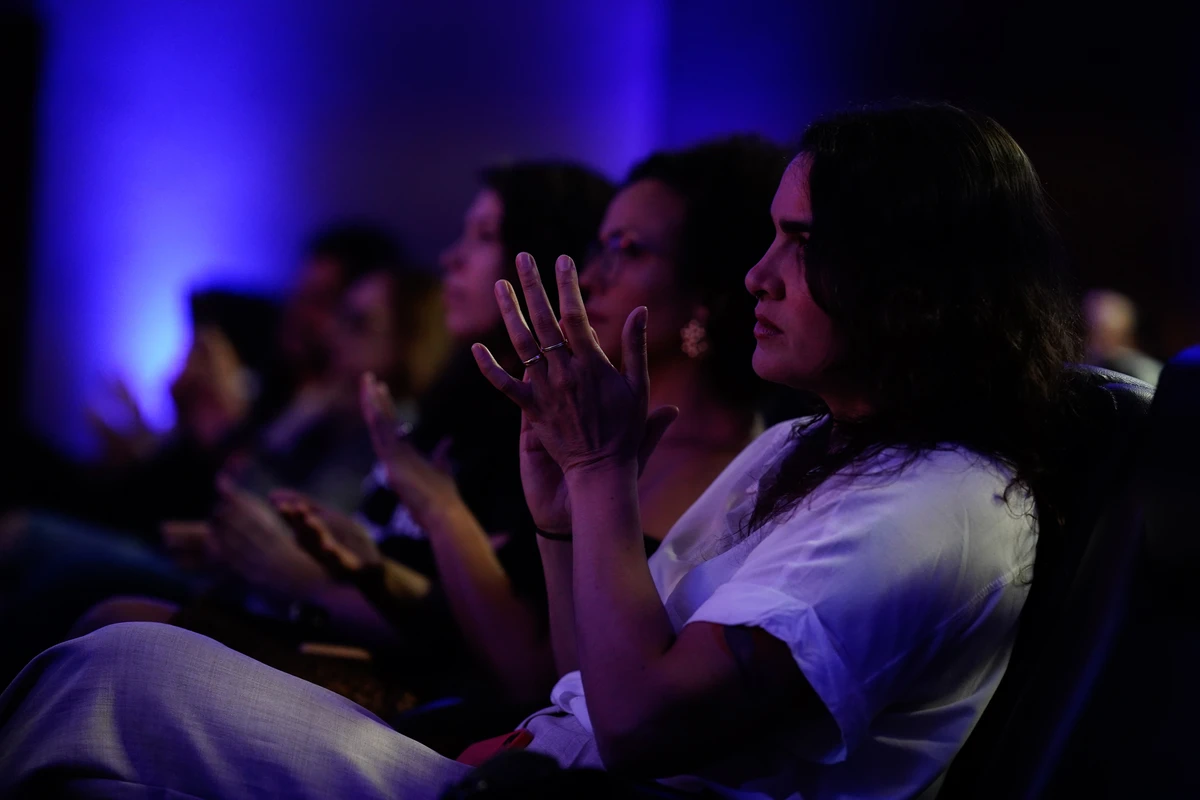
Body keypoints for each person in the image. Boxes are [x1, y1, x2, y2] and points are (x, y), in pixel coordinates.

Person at [0, 102, 1083, 800]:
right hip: (507, 765)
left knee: (103, 674)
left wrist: (599, 477)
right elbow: (584, 677)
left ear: (910, 276)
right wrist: (565, 517)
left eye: (800, 243)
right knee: (98, 701)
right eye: (767, 239)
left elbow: (643, 724)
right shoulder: (813, 445)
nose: (762, 274)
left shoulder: (942, 501)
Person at [1082, 288, 1163, 385]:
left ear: (1129, 338)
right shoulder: (1078, 371)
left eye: (1108, 337)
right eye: (1091, 334)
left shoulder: (1148, 374)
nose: (1097, 345)